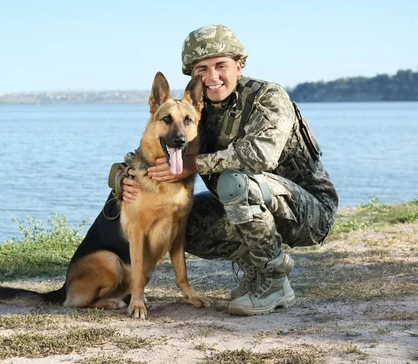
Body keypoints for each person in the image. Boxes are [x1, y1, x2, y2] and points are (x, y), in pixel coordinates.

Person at [113, 24, 338, 316]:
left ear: (239, 65)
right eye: (202, 69)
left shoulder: (269, 97)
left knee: (234, 182)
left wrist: (192, 165)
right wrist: (122, 177)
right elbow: (150, 151)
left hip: (307, 209)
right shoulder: (194, 111)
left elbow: (260, 155)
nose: (212, 76)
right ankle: (259, 264)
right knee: (180, 218)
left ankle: (273, 282)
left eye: (221, 65)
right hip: (248, 203)